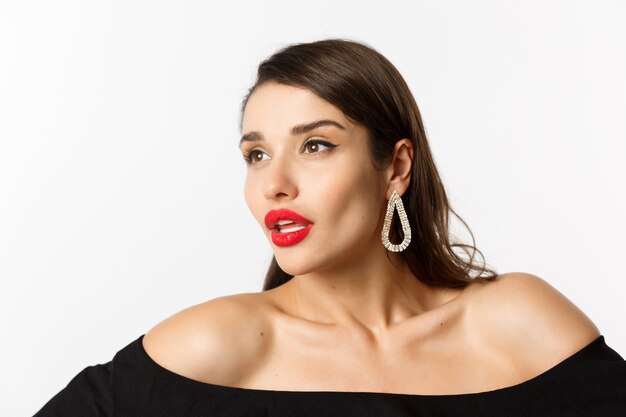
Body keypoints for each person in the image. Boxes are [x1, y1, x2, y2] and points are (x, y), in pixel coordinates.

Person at [34, 38, 625, 416]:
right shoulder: (215, 345)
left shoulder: (518, 323)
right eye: (256, 155)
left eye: (314, 145)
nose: (273, 184)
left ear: (395, 167)